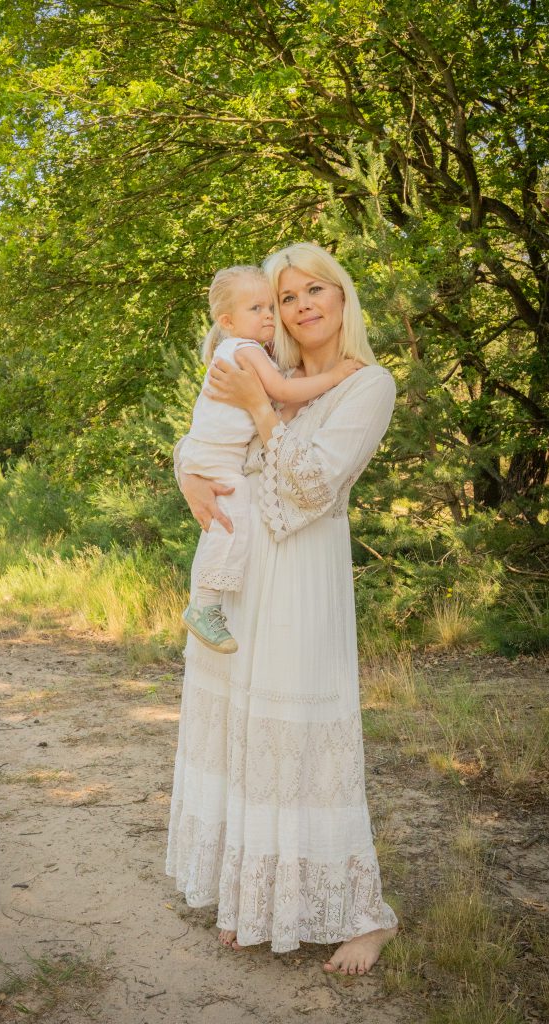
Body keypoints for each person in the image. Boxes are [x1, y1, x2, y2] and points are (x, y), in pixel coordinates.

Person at [165, 242, 399, 976]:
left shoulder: (365, 384)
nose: (299, 306)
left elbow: (307, 489)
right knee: (242, 735)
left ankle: (364, 917)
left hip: (301, 574)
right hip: (243, 577)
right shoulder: (275, 370)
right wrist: (186, 472)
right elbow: (208, 441)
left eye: (312, 291)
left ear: (340, 297)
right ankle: (251, 902)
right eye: (284, 295)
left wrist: (261, 410)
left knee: (300, 739)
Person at [181, 264, 365, 655]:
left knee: (225, 525)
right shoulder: (246, 351)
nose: (269, 315)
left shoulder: (240, 351)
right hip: (216, 459)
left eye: (269, 306)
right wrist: (336, 376)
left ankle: (205, 603)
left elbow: (311, 477)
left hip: (217, 460)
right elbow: (282, 391)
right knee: (228, 525)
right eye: (266, 306)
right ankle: (204, 604)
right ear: (228, 321)